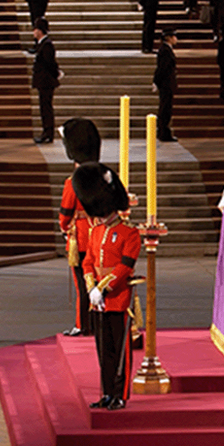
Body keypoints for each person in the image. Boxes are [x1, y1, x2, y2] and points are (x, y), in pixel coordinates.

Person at [75, 162, 141, 411]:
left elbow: (124, 268)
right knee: (103, 351)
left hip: (118, 298)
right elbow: (89, 262)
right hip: (98, 301)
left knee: (120, 351)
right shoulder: (95, 232)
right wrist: (91, 288)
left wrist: (102, 288)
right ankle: (106, 393)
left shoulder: (129, 233)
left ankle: (120, 395)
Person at [60, 119, 101, 337]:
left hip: (81, 237)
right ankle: (96, 322)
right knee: (97, 279)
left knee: (82, 283)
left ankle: (82, 323)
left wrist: (65, 228)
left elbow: (65, 214)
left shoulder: (72, 181)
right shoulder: (103, 176)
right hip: (100, 234)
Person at [31, 18, 59, 144]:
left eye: (35, 29)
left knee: (46, 108)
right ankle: (46, 132)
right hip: (43, 81)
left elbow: (50, 64)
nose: (33, 32)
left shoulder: (47, 45)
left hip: (46, 82)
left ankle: (48, 133)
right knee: (44, 107)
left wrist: (55, 74)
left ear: (40, 31)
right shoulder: (42, 44)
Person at [153, 29, 178, 142]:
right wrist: (156, 81)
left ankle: (163, 132)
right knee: (165, 109)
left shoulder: (166, 50)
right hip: (165, 84)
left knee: (166, 108)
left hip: (167, 83)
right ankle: (163, 133)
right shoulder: (165, 51)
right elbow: (162, 68)